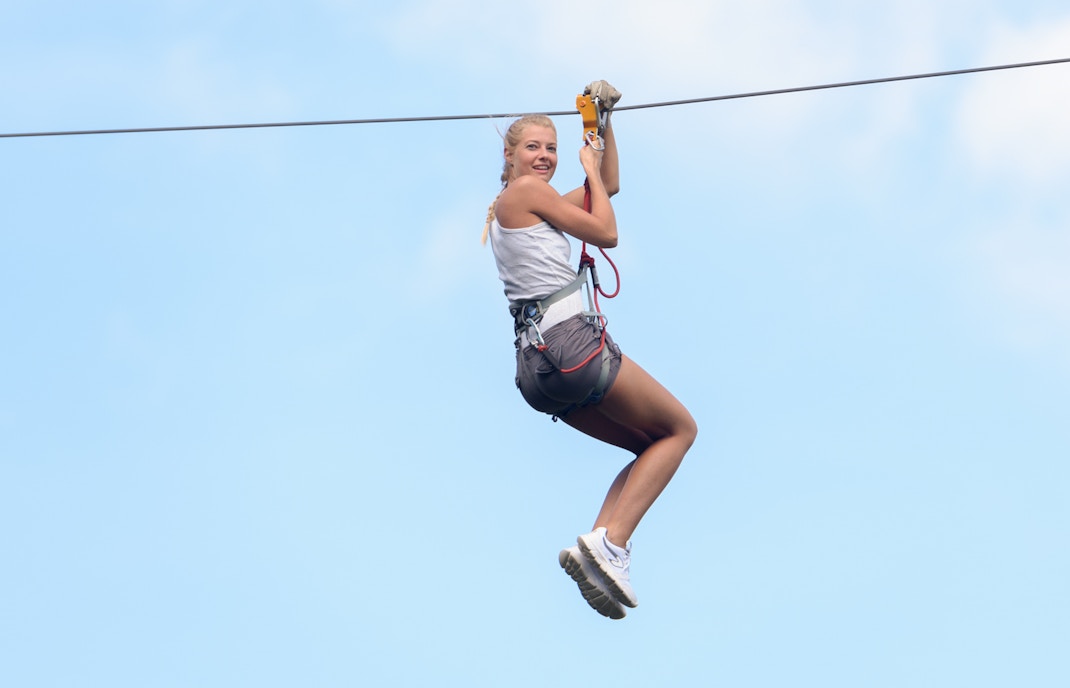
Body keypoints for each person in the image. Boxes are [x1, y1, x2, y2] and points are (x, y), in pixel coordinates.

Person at [483, 81, 697, 619]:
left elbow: (609, 186)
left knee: (648, 448)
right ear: (508, 156)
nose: (545, 157)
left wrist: (601, 127)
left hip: (540, 372)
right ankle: (614, 544)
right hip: (571, 347)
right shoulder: (523, 195)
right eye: (534, 147)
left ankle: (599, 548)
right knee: (680, 430)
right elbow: (606, 230)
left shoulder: (536, 205)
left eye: (551, 149)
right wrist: (588, 159)